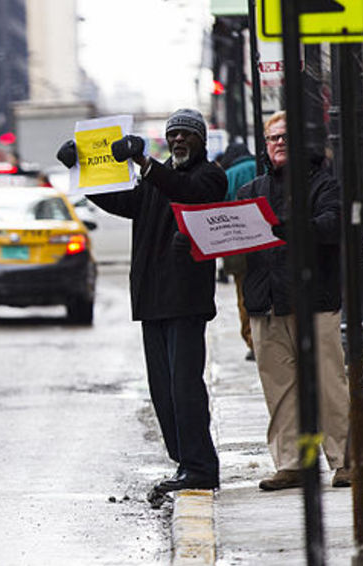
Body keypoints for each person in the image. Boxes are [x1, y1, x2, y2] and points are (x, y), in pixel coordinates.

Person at [57, 108, 225, 494]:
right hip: (152, 298)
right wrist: (81, 173)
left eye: (186, 134)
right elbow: (122, 202)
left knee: (185, 386)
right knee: (162, 388)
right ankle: (185, 462)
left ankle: (201, 465)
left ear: (200, 140)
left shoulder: (208, 176)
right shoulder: (154, 182)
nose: (179, 140)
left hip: (185, 299)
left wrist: (144, 162)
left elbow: (187, 192)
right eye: (173, 135)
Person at [235, 110, 351, 491]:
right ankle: (293, 463)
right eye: (273, 138)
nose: (279, 143)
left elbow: (332, 226)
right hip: (267, 303)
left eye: (287, 137)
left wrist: (288, 228)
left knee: (328, 382)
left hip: (312, 301)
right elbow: (237, 246)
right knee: (280, 389)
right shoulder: (251, 191)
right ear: (265, 147)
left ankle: (344, 460)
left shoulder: (323, 185)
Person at [218, 142, 258, 361]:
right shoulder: (260, 166)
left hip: (237, 247)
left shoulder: (228, 176)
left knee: (244, 295)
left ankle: (252, 340)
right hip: (266, 240)